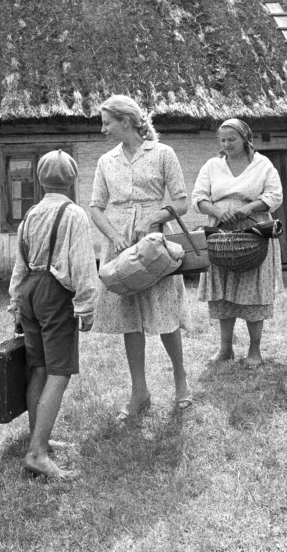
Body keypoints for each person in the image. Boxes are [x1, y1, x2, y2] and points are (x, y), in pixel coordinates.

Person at [89, 94, 192, 421]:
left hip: (154, 242)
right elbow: (95, 207)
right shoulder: (106, 161)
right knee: (129, 316)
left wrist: (152, 219)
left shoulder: (162, 153)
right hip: (120, 244)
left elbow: (182, 202)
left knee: (165, 311)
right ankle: (139, 392)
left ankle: (181, 383)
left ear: (126, 121)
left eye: (107, 122)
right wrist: (113, 235)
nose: (103, 129)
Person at [9, 149, 97, 480]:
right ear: (72, 180)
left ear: (40, 180)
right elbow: (83, 263)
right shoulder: (74, 214)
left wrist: (16, 301)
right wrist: (87, 305)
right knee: (59, 372)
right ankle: (37, 453)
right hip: (55, 293)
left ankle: (39, 438)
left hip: (29, 290)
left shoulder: (31, 214)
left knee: (39, 368)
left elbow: (20, 262)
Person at [192, 118, 283, 368]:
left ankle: (254, 350)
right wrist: (219, 213)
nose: (226, 144)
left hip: (253, 229)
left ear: (245, 139)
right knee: (223, 287)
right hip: (221, 231)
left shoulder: (262, 164)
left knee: (253, 286)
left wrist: (248, 209)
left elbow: (275, 195)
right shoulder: (212, 166)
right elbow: (198, 197)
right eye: (222, 140)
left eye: (232, 139)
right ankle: (225, 348)